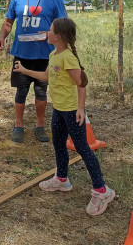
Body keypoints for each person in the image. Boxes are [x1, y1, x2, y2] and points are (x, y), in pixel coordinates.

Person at [14, 17, 115, 215]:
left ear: (57, 36)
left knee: (83, 148)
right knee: (59, 144)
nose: (46, 33)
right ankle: (62, 179)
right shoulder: (53, 55)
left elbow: (81, 83)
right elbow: (47, 77)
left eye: (49, 30)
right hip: (59, 109)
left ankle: (102, 190)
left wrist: (80, 109)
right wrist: (24, 70)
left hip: (71, 111)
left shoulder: (68, 57)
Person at [0, 0, 67, 143]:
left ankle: (39, 126)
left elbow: (63, 25)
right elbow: (8, 21)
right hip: (22, 53)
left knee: (41, 92)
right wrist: (2, 36)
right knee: (21, 91)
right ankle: (18, 125)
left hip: (45, 54)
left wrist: (51, 35)